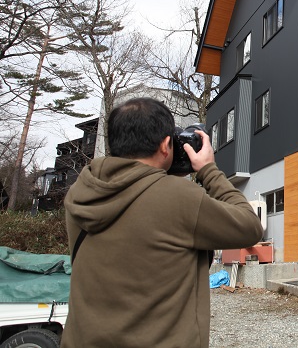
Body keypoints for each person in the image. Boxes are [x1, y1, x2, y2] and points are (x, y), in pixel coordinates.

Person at [62, 97, 263, 347]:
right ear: (167, 145)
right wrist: (208, 170)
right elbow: (250, 227)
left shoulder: (81, 192)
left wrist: (162, 171)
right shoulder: (178, 197)